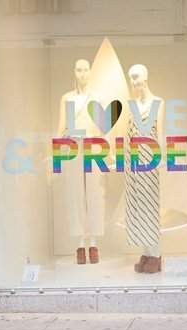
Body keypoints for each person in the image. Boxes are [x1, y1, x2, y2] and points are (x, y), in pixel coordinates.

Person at [57, 59, 106, 264]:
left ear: (90, 72)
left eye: (86, 70)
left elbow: (104, 126)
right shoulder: (67, 98)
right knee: (75, 192)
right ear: (74, 72)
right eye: (79, 70)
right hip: (73, 145)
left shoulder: (98, 97)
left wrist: (109, 151)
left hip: (94, 145)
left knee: (95, 193)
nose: (83, 74)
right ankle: (79, 243)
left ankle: (93, 242)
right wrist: (56, 152)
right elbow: (61, 124)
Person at [124, 64, 165, 274]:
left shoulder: (157, 102)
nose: (133, 81)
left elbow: (161, 133)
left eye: (136, 76)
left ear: (146, 77)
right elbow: (128, 135)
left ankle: (156, 253)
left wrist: (162, 160)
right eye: (130, 77)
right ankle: (146, 250)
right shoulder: (132, 106)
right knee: (139, 208)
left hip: (151, 160)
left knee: (150, 206)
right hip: (134, 162)